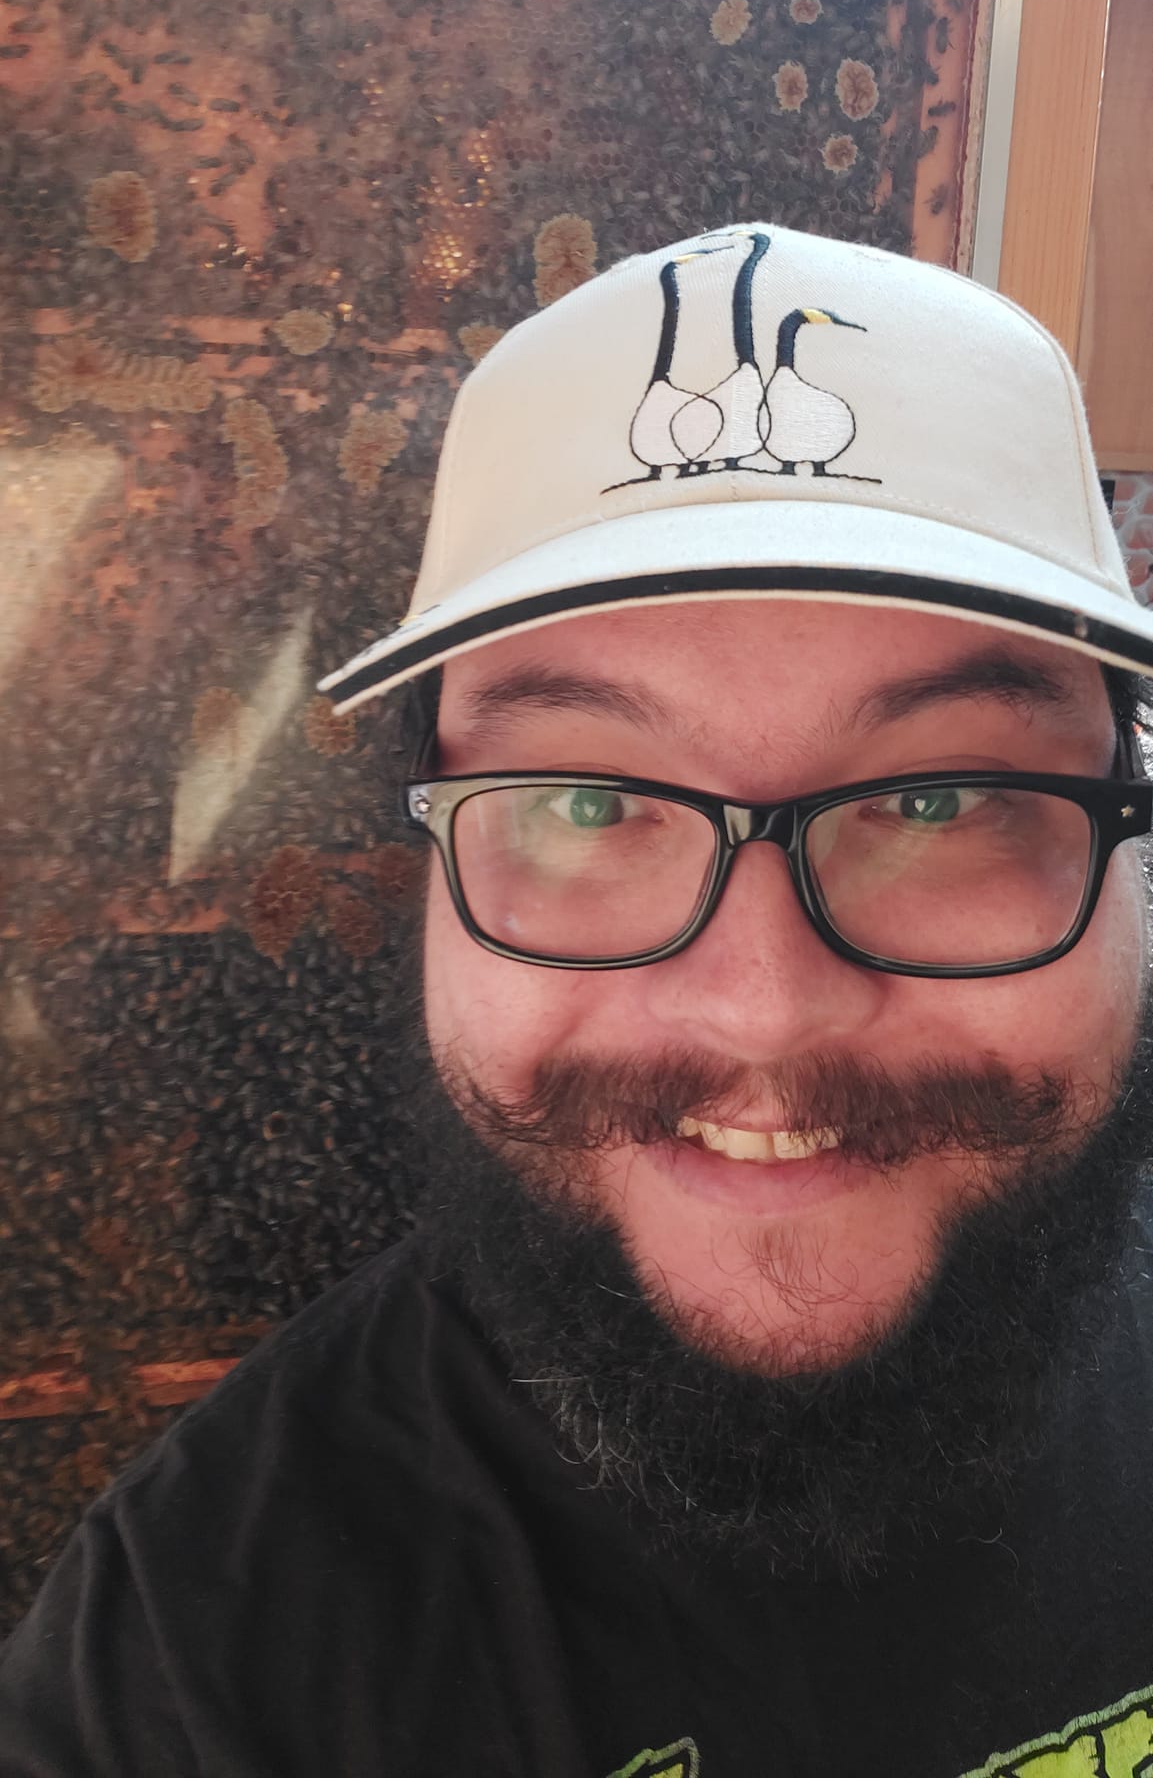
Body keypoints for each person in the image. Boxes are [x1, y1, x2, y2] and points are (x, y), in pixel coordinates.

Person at [4, 222, 1153, 1778]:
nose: (762, 1014)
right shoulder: (202, 1668)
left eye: (939, 799)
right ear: (421, 865)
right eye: (591, 806)